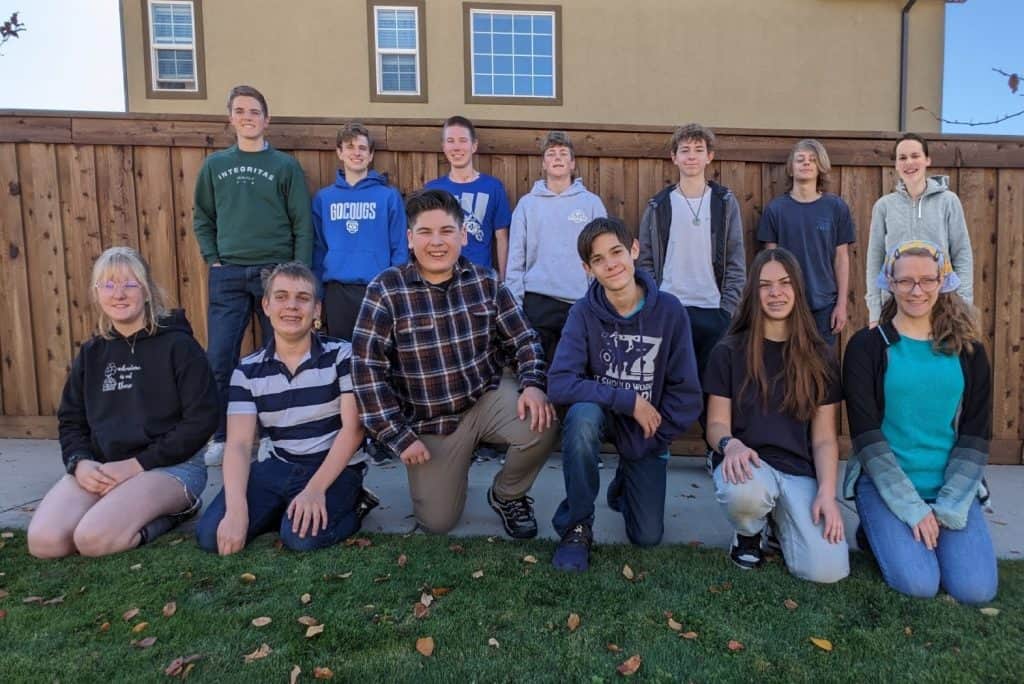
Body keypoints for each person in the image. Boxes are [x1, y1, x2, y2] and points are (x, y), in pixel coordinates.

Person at [352, 189, 559, 538]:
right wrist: (399, 438)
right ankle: (452, 469)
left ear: (463, 236)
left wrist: (534, 384)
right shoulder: (386, 290)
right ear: (410, 238)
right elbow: (366, 373)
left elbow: (523, 338)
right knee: (438, 522)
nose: (437, 242)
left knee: (542, 421)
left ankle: (507, 494)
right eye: (425, 232)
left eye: (447, 231)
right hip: (431, 421)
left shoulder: (485, 281)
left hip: (486, 398)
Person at [27, 247, 218, 558]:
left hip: (171, 467)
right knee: (45, 543)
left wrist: (136, 466)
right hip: (103, 467)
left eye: (129, 284)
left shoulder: (179, 345)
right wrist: (80, 463)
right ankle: (115, 504)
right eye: (108, 284)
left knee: (93, 540)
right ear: (96, 293)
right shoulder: (92, 353)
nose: (118, 294)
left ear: (146, 291)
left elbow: (202, 420)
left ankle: (177, 512)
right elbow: (71, 420)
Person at [843, 241, 996, 603]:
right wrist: (912, 509)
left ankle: (921, 528)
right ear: (890, 283)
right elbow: (866, 436)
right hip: (885, 483)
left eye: (927, 280)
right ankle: (876, 529)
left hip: (948, 484)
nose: (917, 290)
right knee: (919, 585)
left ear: (943, 282)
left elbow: (976, 434)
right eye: (906, 281)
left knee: (975, 590)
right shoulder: (866, 347)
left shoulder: (969, 349)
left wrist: (950, 505)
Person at [547, 218, 703, 571]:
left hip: (646, 433)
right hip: (604, 416)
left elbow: (687, 395)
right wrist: (628, 400)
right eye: (598, 259)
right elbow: (560, 382)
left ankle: (624, 482)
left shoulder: (670, 311)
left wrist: (653, 439)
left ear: (633, 249)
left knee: (646, 536)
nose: (611, 264)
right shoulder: (583, 313)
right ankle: (576, 525)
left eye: (616, 251)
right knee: (582, 415)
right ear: (588, 269)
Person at [195, 262, 377, 554]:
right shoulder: (247, 370)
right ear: (266, 305)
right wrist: (237, 509)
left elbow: (353, 430)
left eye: (302, 298)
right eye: (281, 297)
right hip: (278, 466)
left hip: (333, 467)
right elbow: (239, 445)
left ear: (316, 310)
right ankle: (283, 510)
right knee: (210, 534)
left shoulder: (342, 355)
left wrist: (316, 490)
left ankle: (355, 504)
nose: (291, 306)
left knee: (300, 539)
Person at [704, 248, 848, 583]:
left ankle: (781, 525)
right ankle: (748, 532)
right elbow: (715, 424)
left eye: (784, 283)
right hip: (748, 465)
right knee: (747, 493)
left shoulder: (820, 357)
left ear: (797, 289)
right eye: (765, 285)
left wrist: (827, 493)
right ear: (753, 293)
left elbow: (825, 438)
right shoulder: (728, 351)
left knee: (828, 570)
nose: (775, 293)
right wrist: (730, 445)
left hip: (798, 471)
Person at [193, 85, 314, 466]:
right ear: (231, 118)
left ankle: (275, 436)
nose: (248, 117)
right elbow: (202, 217)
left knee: (279, 354)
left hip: (273, 272)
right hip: (227, 273)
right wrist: (213, 258)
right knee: (220, 356)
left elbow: (302, 224)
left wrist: (298, 277)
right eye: (241, 111)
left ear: (267, 119)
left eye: (255, 111)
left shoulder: (285, 166)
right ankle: (222, 436)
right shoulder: (215, 166)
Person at [638, 122, 745, 378]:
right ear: (674, 157)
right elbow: (645, 260)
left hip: (713, 309)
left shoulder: (725, 202)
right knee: (670, 384)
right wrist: (655, 302)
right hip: (670, 307)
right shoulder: (658, 206)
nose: (691, 156)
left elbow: (735, 258)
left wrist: (727, 309)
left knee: (714, 388)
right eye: (684, 150)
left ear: (710, 156)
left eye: (698, 149)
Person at [506, 131, 607, 364]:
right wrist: (515, 306)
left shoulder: (591, 203)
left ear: (572, 163)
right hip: (537, 302)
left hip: (579, 301)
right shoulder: (527, 205)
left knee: (575, 370)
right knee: (538, 374)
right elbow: (516, 259)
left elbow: (601, 255)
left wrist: (599, 300)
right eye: (551, 154)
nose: (557, 158)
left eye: (563, 153)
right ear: (544, 163)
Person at [312, 121, 408, 342]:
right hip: (338, 291)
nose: (357, 153)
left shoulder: (388, 196)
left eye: (362, 148)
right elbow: (318, 250)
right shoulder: (323, 199)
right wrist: (317, 294)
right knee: (342, 354)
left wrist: (396, 290)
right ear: (340, 152)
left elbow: (399, 248)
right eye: (350, 147)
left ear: (371, 154)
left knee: (380, 351)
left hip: (378, 288)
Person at [865, 133, 973, 327]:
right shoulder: (884, 206)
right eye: (902, 158)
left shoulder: (948, 201)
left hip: (942, 301)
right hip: (895, 303)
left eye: (915, 156)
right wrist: (875, 311)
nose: (909, 162)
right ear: (896, 165)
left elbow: (962, 253)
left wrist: (963, 303)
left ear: (927, 160)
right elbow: (875, 259)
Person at [757, 139, 854, 346]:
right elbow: (769, 263)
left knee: (822, 371)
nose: (806, 163)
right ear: (791, 168)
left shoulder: (836, 208)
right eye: (800, 159)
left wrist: (842, 304)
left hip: (825, 305)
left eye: (812, 160)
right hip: (786, 304)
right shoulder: (775, 210)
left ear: (820, 167)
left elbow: (841, 258)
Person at [425, 115, 513, 280]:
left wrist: (503, 279)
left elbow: (501, 237)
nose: (457, 147)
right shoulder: (432, 190)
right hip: (441, 278)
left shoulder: (493, 187)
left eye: (463, 140)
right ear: (443, 147)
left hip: (480, 278)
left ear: (474, 146)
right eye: (450, 141)